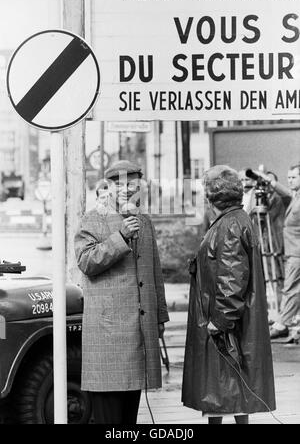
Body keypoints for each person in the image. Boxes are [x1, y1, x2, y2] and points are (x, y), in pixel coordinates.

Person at [74, 160, 169, 424]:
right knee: (109, 416)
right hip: (108, 335)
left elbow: (154, 272)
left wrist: (160, 317)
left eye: (132, 183)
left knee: (129, 418)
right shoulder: (93, 218)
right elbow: (86, 262)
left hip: (139, 332)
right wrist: (121, 236)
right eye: (119, 184)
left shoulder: (144, 221)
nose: (126, 189)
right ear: (108, 187)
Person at [182, 165, 276, 424]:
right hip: (230, 320)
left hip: (225, 324)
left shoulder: (229, 225)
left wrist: (219, 322)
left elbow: (232, 278)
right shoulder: (234, 220)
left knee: (222, 389)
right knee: (232, 392)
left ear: (212, 196)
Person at [256, 165, 300, 339]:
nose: (289, 181)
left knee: (290, 288)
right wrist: (269, 181)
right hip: (292, 250)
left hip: (297, 252)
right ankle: (286, 323)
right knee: (293, 288)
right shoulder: (295, 196)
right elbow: (286, 193)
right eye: (288, 177)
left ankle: (282, 324)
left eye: (294, 177)